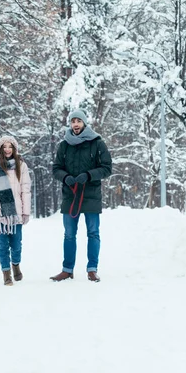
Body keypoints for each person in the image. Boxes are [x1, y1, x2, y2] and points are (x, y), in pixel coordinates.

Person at [50, 109, 112, 282]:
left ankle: (92, 269)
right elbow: (56, 169)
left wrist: (89, 175)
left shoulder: (97, 143)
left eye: (78, 121)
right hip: (70, 196)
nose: (75, 124)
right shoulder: (64, 145)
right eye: (73, 121)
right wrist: (66, 177)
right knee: (69, 234)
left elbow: (107, 168)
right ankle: (67, 269)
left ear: (84, 123)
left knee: (93, 233)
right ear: (70, 124)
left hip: (91, 194)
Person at [0, 135, 31, 286]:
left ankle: (16, 265)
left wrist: (26, 211)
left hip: (16, 213)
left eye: (10, 146)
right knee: (3, 245)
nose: (7, 149)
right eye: (4, 146)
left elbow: (25, 189)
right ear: (0, 149)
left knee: (16, 244)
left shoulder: (21, 166)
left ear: (14, 148)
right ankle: (6, 274)